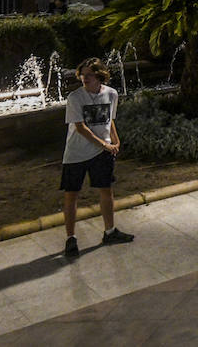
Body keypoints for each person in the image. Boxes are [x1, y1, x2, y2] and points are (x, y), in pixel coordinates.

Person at [60, 57, 134, 258]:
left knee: (106, 190)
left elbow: (110, 120)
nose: (85, 78)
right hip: (76, 153)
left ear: (99, 75)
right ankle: (70, 238)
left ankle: (110, 231)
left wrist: (116, 142)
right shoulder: (75, 98)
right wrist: (105, 145)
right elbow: (80, 128)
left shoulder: (111, 94)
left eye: (89, 75)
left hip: (102, 152)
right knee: (71, 194)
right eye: (82, 75)